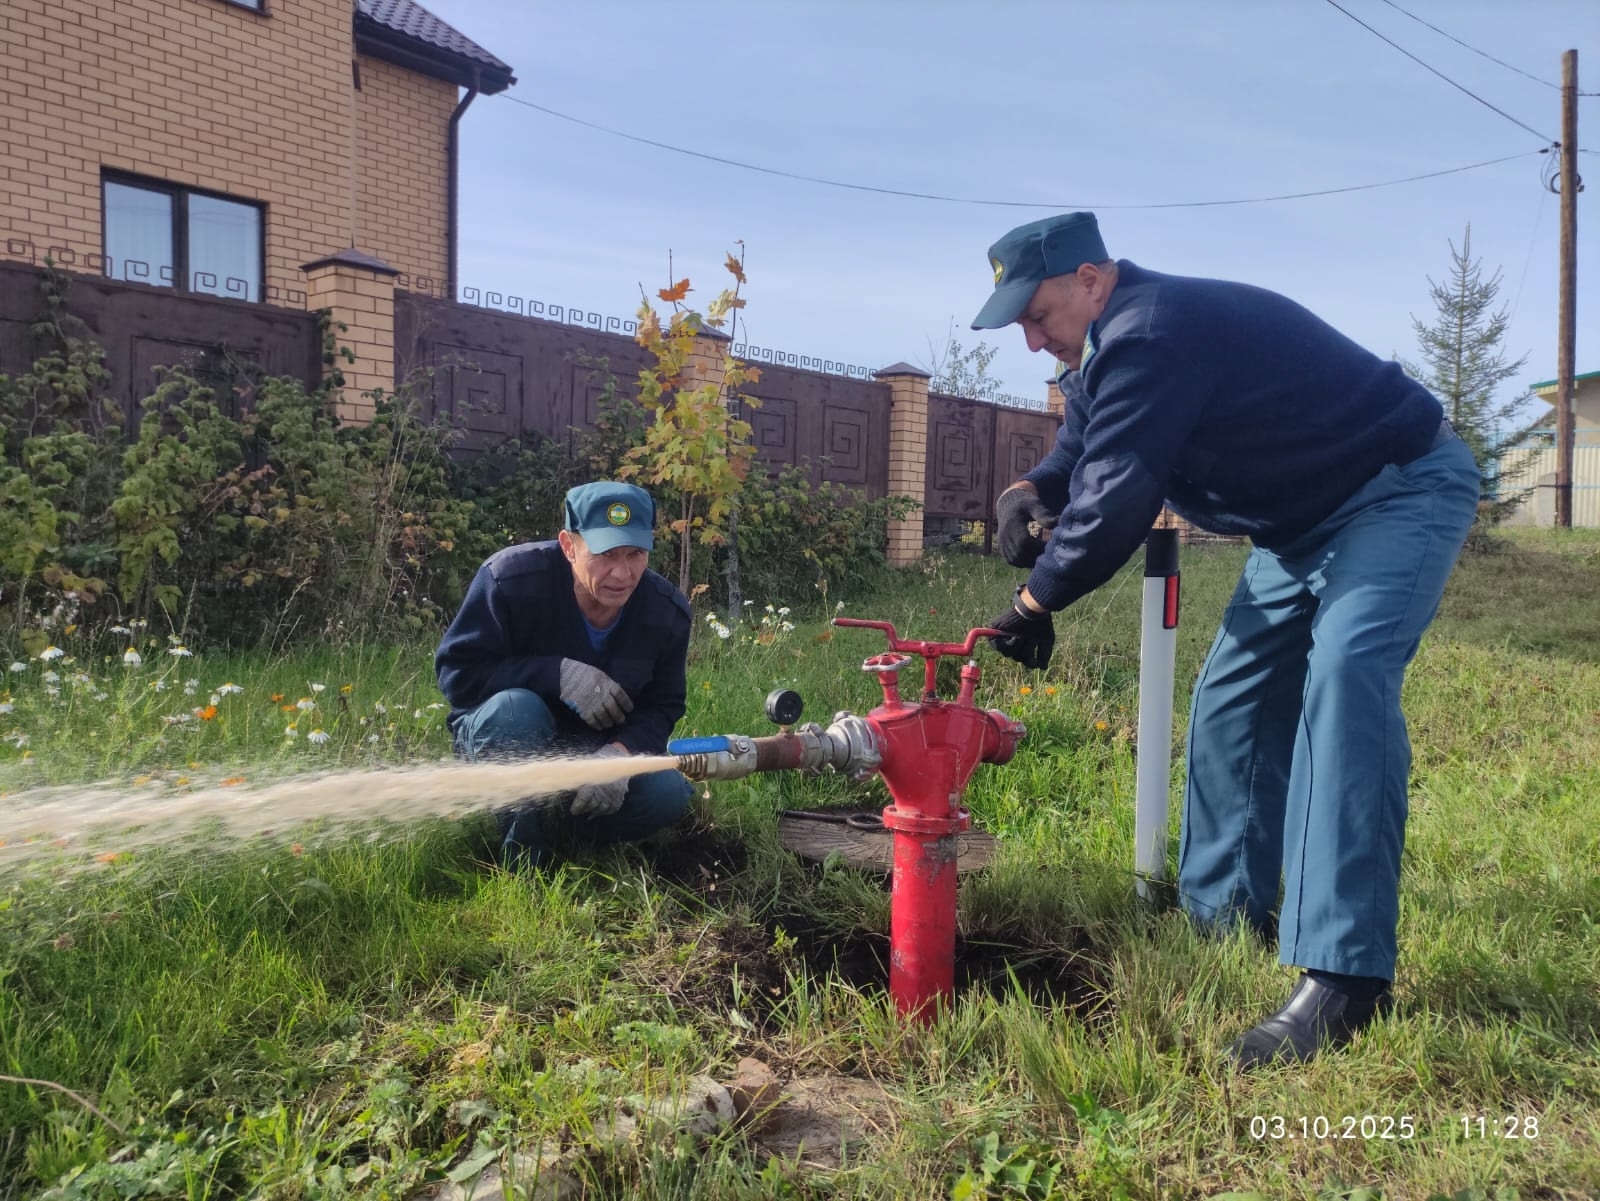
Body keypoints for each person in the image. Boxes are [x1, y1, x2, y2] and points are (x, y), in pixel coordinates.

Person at [972, 212, 1479, 1070]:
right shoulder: (1102, 352)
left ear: (1094, 280)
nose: (1031, 339)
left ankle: (1344, 975)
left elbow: (1118, 497)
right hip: (1297, 528)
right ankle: (1223, 913)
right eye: (1019, 322)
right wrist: (1029, 486)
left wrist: (1034, 600)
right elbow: (1083, 451)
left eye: (1039, 314)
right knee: (1230, 700)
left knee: (1346, 676)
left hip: (1396, 490)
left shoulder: (1154, 331)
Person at [435, 481, 694, 868]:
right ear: (569, 546)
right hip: (508, 739)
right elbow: (458, 676)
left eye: (636, 554)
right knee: (515, 710)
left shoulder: (666, 612)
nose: (622, 573)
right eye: (605, 554)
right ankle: (524, 858)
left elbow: (663, 705)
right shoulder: (508, 580)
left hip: (595, 754)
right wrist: (554, 674)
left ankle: (568, 830)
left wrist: (618, 758)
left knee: (670, 792)